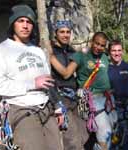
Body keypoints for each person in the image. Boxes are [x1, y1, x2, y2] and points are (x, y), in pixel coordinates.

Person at [0, 4, 63, 150]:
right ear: (12, 24)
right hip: (22, 110)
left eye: (29, 22)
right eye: (20, 21)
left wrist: (58, 106)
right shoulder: (1, 51)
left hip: (46, 108)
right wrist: (32, 84)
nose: (25, 25)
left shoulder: (38, 51)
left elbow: (48, 81)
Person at [50, 32, 118, 150]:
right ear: (92, 42)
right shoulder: (81, 55)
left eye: (102, 45)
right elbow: (66, 74)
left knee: (113, 131)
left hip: (108, 99)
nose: (98, 47)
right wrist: (50, 57)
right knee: (105, 136)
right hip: (93, 100)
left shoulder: (104, 57)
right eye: (96, 43)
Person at [49, 20, 89, 150]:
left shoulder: (72, 51)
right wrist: (56, 101)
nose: (65, 35)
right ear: (56, 34)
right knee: (72, 139)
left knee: (84, 134)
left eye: (68, 32)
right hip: (61, 97)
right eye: (62, 32)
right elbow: (60, 75)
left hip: (74, 97)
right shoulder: (51, 52)